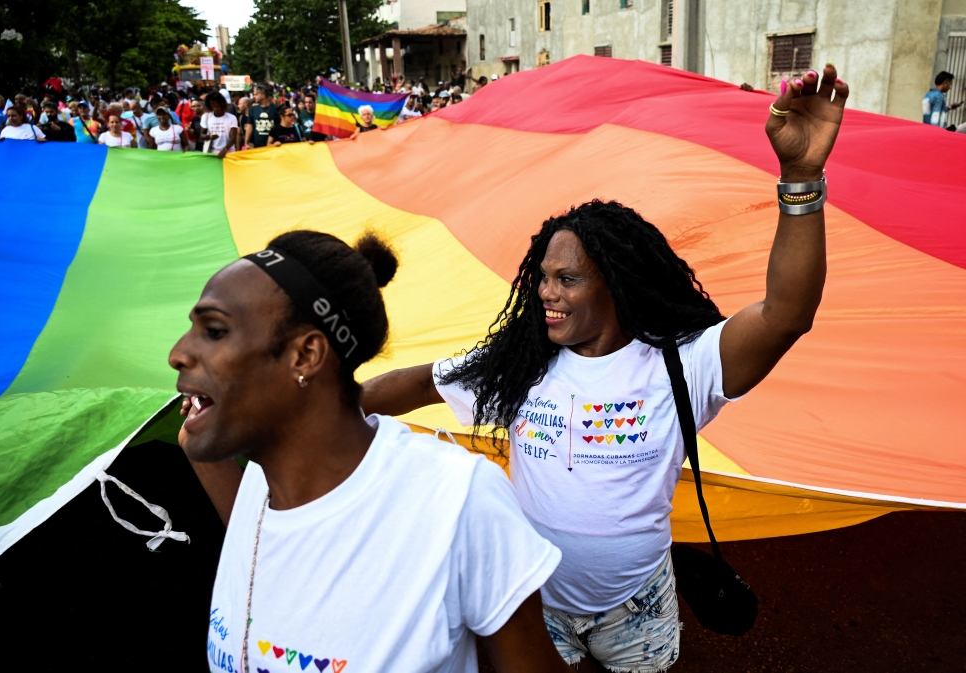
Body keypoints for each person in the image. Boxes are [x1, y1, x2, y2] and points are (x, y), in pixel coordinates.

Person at [359, 66, 849, 671]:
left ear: (614, 285)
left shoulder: (682, 363)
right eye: (541, 278)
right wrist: (329, 414)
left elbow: (786, 314)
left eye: (566, 279)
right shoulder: (519, 364)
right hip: (534, 601)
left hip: (637, 610)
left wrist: (801, 177)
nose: (545, 293)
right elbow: (411, 383)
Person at [170, 230, 573, 673]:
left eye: (213, 331)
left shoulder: (455, 502)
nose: (177, 354)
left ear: (305, 355)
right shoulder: (259, 486)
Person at [200, 92, 238, 158]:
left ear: (222, 104)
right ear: (210, 106)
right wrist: (210, 136)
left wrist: (225, 150)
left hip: (229, 152)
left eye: (218, 106)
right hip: (213, 152)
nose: (216, 109)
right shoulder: (206, 117)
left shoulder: (232, 118)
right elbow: (201, 135)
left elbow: (233, 138)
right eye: (213, 106)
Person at [245, 84, 276, 149]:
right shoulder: (253, 109)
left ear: (263, 95)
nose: (254, 97)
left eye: (256, 94)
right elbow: (250, 126)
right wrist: (246, 142)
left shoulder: (276, 108)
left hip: (273, 146)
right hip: (258, 145)